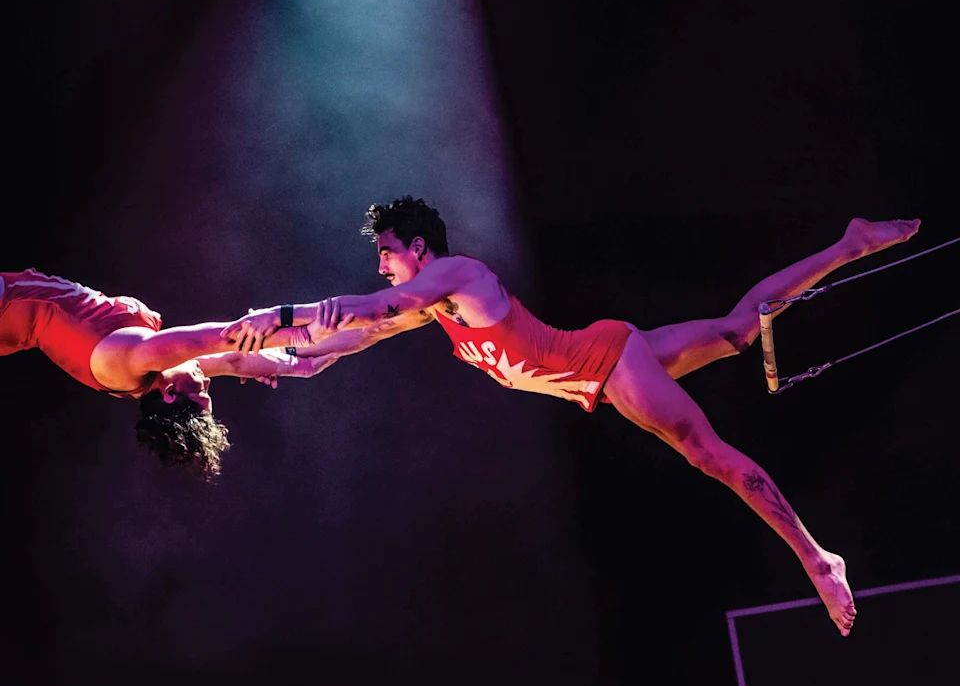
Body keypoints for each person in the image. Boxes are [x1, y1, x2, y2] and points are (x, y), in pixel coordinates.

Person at [223, 196, 922, 635]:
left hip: (608, 363)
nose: (381, 267)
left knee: (705, 453)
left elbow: (370, 311)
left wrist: (281, 314)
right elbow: (324, 351)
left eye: (386, 253)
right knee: (741, 330)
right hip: (601, 361)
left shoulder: (459, 276)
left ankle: (817, 559)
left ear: (418, 249)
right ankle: (849, 244)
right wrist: (226, 357)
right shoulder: (433, 310)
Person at [0, 268, 349, 478]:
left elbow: (224, 336)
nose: (207, 382)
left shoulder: (131, 359)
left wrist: (303, 327)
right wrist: (306, 363)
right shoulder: (149, 377)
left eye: (202, 393)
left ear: (169, 394)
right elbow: (233, 360)